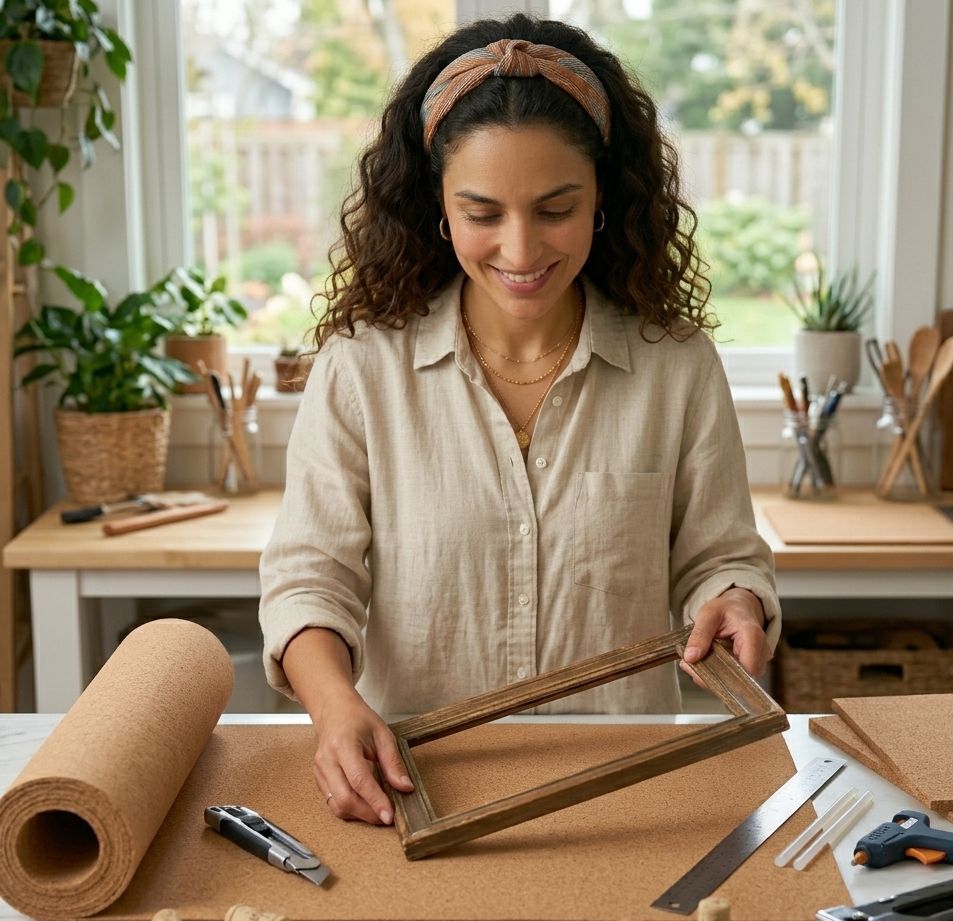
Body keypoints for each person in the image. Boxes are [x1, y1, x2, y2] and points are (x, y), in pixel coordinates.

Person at [260, 13, 780, 829]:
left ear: (603, 195)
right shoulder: (363, 368)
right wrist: (332, 709)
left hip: (629, 795)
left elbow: (720, 557)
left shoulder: (676, 365)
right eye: (482, 211)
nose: (519, 247)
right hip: (416, 790)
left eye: (554, 208)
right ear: (436, 203)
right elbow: (308, 580)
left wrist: (736, 601)